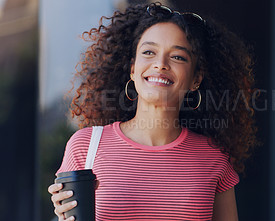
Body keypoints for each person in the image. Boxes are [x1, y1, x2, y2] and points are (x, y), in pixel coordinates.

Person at [48, 2, 258, 221]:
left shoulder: (214, 158)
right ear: (132, 68)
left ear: (196, 79)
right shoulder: (85, 147)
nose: (160, 64)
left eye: (178, 56)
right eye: (149, 52)